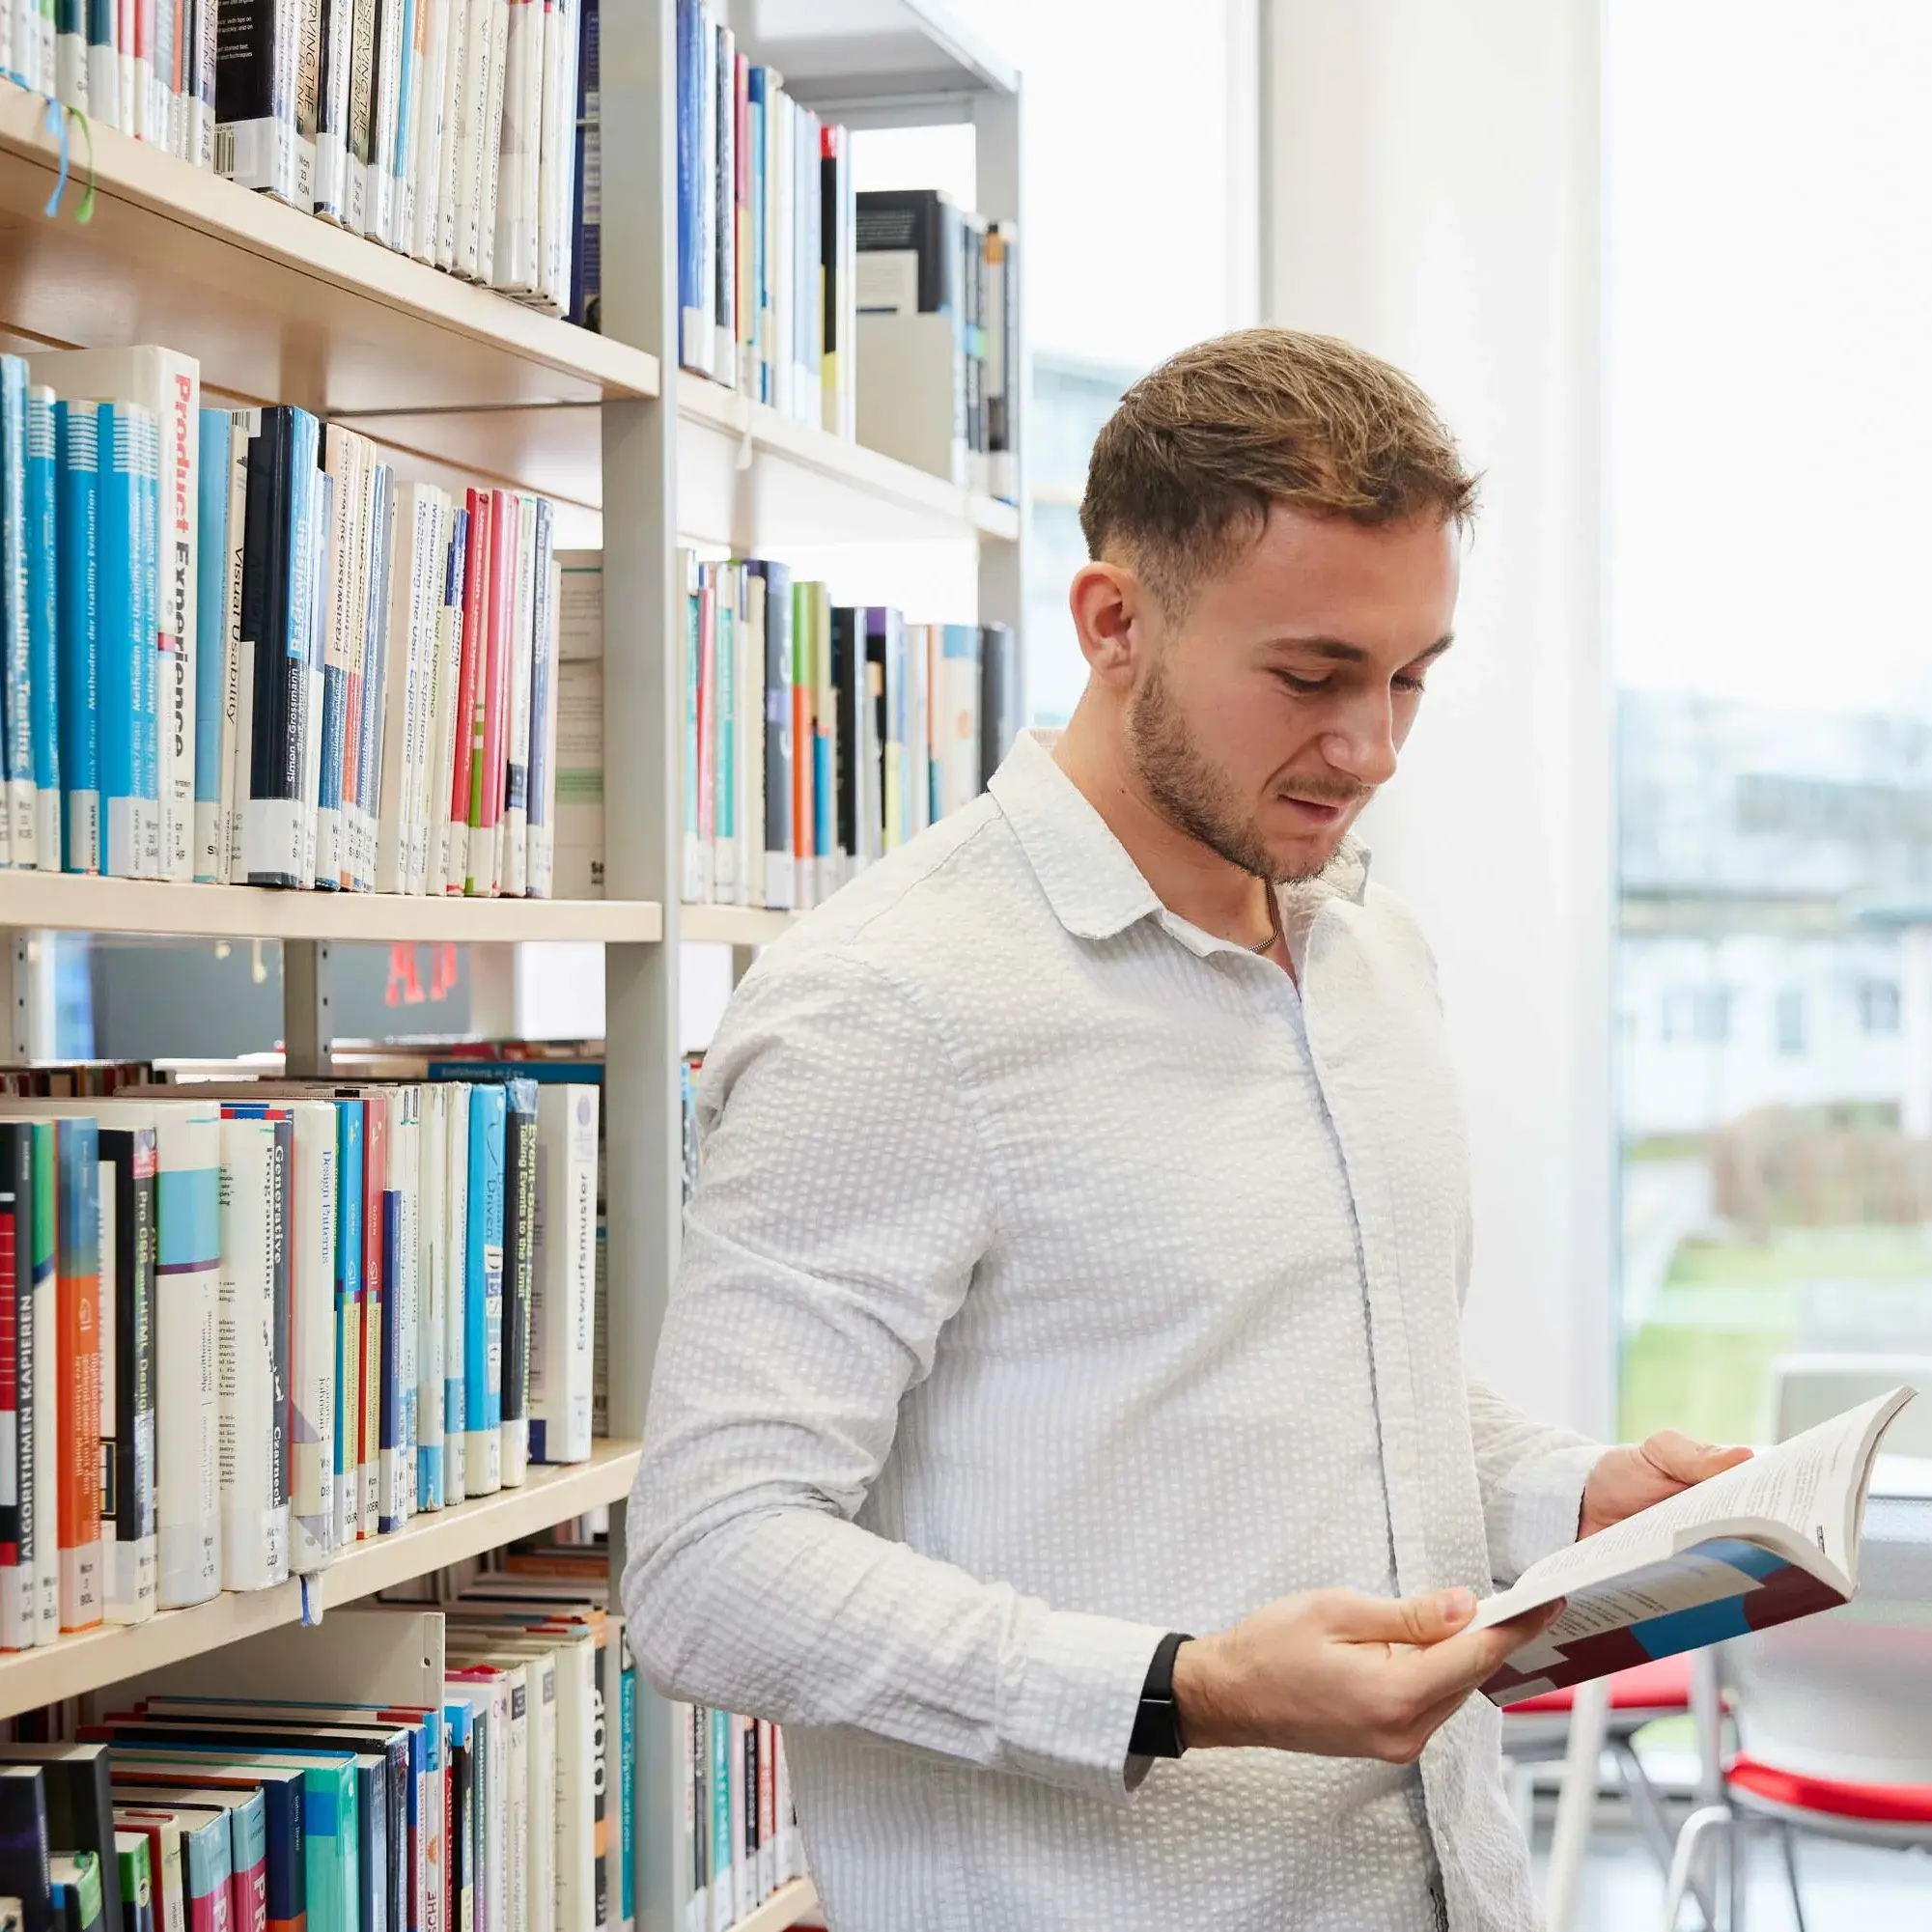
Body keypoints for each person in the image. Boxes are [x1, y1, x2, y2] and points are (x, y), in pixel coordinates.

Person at [623, 327, 1747, 1931]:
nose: (1369, 747)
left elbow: (1322, 1382)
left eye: (1411, 677)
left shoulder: (1370, 954)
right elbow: (707, 1571)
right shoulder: (892, 1007)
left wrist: (1572, 1498)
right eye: (1311, 677)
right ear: (1114, 624)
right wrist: (1183, 1688)